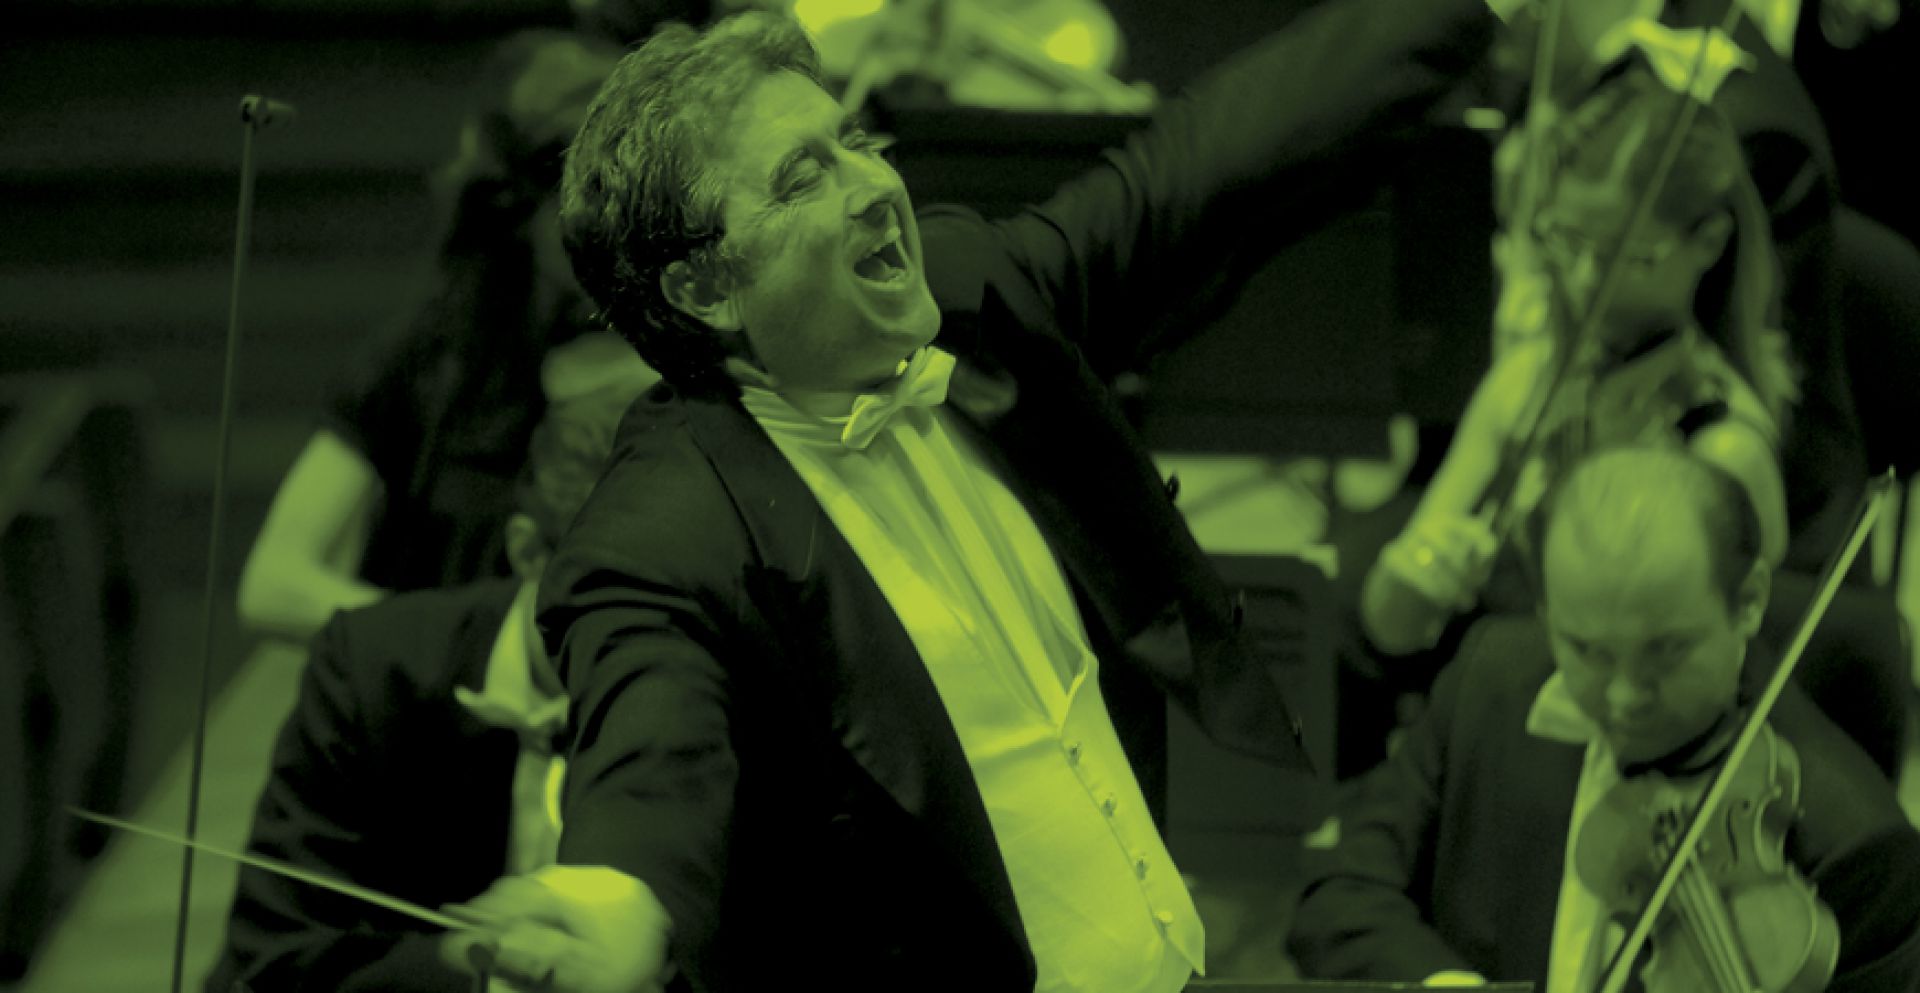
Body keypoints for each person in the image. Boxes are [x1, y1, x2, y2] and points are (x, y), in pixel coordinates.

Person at [434, 3, 1533, 991]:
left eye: (853, 142)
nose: (874, 187)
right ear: (704, 286)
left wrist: (1459, 10)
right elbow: (653, 743)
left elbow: (1200, 168)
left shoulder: (969, 297)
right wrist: (621, 892)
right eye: (803, 178)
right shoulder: (658, 534)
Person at [1289, 445, 1920, 990]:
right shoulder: (1491, 681)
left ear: (1749, 601)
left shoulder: (1856, 853)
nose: (1622, 697)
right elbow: (1341, 895)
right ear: (1546, 610)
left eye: (1665, 651)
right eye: (1587, 651)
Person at [203, 370, 653, 993]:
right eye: (616, 591)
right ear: (528, 552)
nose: (658, 631)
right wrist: (478, 965)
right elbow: (278, 955)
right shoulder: (370, 671)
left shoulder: (728, 688)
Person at [236, 30, 623, 642]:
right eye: (587, 204)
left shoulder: (664, 348)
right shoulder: (429, 352)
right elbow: (272, 585)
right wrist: (470, 642)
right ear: (521, 211)